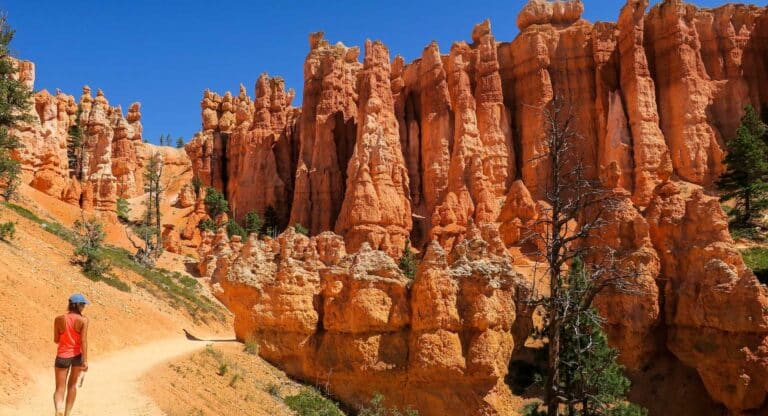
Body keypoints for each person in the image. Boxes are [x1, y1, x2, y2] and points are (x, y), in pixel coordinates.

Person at [53, 294, 90, 416]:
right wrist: (85, 360)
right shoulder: (84, 320)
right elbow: (83, 341)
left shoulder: (58, 319)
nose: (84, 307)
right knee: (72, 386)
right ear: (77, 305)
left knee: (59, 387)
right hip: (76, 357)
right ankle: (67, 413)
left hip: (62, 356)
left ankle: (59, 409)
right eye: (83, 304)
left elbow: (56, 339)